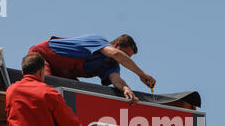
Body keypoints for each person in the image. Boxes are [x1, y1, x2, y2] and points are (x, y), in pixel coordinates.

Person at [27, 34, 156, 105]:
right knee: (46, 92)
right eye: (126, 55)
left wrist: (126, 89)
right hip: (43, 56)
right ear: (116, 46)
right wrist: (141, 74)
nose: (125, 60)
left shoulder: (111, 65)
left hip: (62, 73)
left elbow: (116, 79)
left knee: (74, 97)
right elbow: (116, 54)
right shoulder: (99, 41)